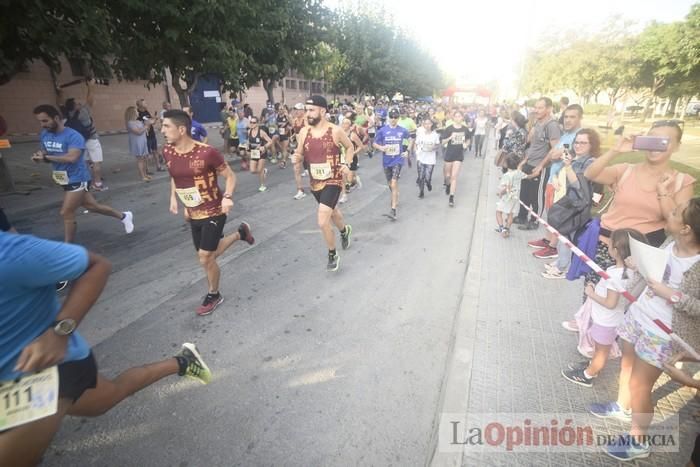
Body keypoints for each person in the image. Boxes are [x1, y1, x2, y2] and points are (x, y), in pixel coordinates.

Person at [0, 232, 212, 467]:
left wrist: (59, 333)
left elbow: (97, 265)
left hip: (40, 375)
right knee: (106, 399)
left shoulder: (9, 252)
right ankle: (183, 360)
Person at [590, 198, 700, 461]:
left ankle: (638, 439)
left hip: (662, 333)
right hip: (638, 317)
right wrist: (635, 266)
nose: (668, 213)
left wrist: (671, 295)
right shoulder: (669, 244)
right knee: (626, 367)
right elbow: (651, 273)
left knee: (641, 386)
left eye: (674, 213)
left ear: (686, 228)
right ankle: (621, 406)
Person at [161, 109, 255, 316]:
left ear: (181, 129)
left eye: (166, 126)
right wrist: (174, 199)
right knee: (209, 254)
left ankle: (214, 294)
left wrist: (228, 197)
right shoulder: (167, 151)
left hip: (214, 209)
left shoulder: (207, 153)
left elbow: (230, 176)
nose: (162, 130)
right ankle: (241, 233)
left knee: (205, 257)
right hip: (193, 212)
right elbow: (175, 177)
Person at [32, 105, 133, 244]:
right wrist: (40, 156)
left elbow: (71, 158)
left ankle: (68, 248)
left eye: (45, 121)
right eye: (40, 121)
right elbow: (45, 151)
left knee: (66, 212)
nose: (42, 125)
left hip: (78, 177)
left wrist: (47, 158)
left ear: (56, 118)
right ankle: (124, 216)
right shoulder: (45, 134)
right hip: (63, 178)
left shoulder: (73, 136)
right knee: (92, 206)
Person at [561, 229, 647, 387]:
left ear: (615, 250)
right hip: (607, 318)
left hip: (607, 320)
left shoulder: (617, 276)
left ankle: (588, 375)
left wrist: (591, 293)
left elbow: (610, 303)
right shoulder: (629, 272)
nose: (607, 244)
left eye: (610, 242)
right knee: (599, 347)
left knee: (602, 351)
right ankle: (592, 365)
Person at [292, 95, 354, 271]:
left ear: (322, 111)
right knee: (332, 213)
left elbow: (349, 147)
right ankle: (344, 231)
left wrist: (347, 164)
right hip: (315, 182)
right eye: (306, 110)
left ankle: (332, 254)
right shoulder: (304, 132)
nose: (307, 114)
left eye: (311, 110)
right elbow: (299, 153)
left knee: (322, 220)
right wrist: (296, 157)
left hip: (333, 180)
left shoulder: (335, 131)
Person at [536, 129, 600, 276]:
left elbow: (579, 187)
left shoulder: (590, 162)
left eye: (583, 142)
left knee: (566, 237)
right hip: (567, 203)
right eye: (576, 142)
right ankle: (561, 261)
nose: (578, 145)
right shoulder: (575, 158)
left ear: (592, 145)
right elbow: (563, 176)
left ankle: (561, 269)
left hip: (577, 206)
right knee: (562, 235)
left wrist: (568, 167)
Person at [514, 97, 562, 230]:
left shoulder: (552, 125)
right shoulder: (537, 122)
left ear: (549, 109)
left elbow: (555, 149)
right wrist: (524, 161)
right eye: (536, 107)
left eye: (540, 108)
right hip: (529, 163)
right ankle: (522, 217)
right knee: (524, 192)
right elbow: (532, 144)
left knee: (537, 195)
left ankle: (534, 221)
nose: (536, 110)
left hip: (540, 166)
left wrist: (541, 166)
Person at [61, 79, 106, 191]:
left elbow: (60, 102)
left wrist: (59, 91)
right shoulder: (83, 112)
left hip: (78, 141)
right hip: (91, 139)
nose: (80, 103)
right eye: (77, 103)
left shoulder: (65, 113)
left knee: (84, 162)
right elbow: (90, 99)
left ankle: (86, 182)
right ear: (75, 106)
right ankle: (98, 183)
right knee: (96, 161)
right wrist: (90, 86)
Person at [374, 108, 410, 219]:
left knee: (394, 183)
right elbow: (375, 143)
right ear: (389, 118)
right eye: (392, 117)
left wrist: (407, 150)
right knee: (390, 184)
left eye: (396, 117)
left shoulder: (403, 130)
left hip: (398, 160)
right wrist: (381, 147)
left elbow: (410, 139)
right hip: (386, 161)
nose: (393, 119)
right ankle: (395, 194)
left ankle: (393, 210)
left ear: (398, 118)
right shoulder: (382, 130)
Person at [440, 110, 470, 208]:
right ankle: (447, 185)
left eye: (459, 116)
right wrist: (449, 138)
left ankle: (451, 197)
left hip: (458, 155)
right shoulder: (449, 129)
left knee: (454, 177)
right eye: (456, 116)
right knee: (448, 176)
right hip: (449, 154)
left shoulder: (465, 129)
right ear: (453, 118)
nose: (458, 118)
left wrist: (466, 144)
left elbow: (468, 139)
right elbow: (442, 142)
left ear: (462, 118)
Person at [495, 154, 528, 238]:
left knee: (498, 212)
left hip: (506, 198)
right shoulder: (518, 173)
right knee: (510, 214)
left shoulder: (506, 175)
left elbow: (506, 188)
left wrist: (500, 193)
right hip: (514, 198)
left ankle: (502, 228)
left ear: (506, 164)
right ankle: (507, 229)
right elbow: (523, 173)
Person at [339, 116, 365, 204]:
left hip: (352, 158)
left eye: (346, 123)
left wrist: (353, 153)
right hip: (342, 158)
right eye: (343, 123)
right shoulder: (339, 134)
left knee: (349, 180)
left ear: (350, 126)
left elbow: (361, 146)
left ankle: (355, 180)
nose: (344, 125)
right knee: (343, 178)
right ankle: (344, 195)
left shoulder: (353, 135)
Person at [246, 116, 274, 192]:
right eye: (251, 122)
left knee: (259, 170)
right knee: (252, 170)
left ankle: (262, 185)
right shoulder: (249, 131)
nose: (251, 124)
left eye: (253, 122)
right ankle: (264, 171)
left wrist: (264, 147)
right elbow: (249, 140)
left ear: (257, 123)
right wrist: (247, 145)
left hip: (262, 153)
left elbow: (270, 141)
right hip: (254, 153)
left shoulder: (261, 132)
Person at [125, 106, 152, 182]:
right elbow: (138, 132)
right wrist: (146, 126)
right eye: (136, 111)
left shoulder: (139, 121)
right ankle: (142, 176)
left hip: (143, 141)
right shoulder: (130, 123)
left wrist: (148, 124)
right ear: (132, 113)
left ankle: (145, 174)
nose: (138, 112)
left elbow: (146, 130)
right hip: (137, 143)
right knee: (140, 160)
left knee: (144, 159)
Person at [415, 118, 440, 199]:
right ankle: (421, 192)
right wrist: (416, 152)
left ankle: (428, 183)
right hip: (421, 158)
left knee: (427, 178)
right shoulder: (420, 134)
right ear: (423, 125)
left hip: (430, 159)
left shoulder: (435, 135)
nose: (427, 125)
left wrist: (433, 148)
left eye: (429, 123)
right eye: (425, 124)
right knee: (421, 176)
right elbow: (416, 144)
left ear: (431, 124)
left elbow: (437, 145)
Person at [136, 99, 162, 172]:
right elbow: (141, 124)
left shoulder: (146, 111)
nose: (146, 104)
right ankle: (147, 170)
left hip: (151, 134)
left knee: (155, 151)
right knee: (146, 154)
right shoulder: (137, 113)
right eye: (144, 103)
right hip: (145, 136)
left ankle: (158, 166)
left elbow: (151, 122)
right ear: (140, 104)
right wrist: (150, 121)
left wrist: (154, 119)